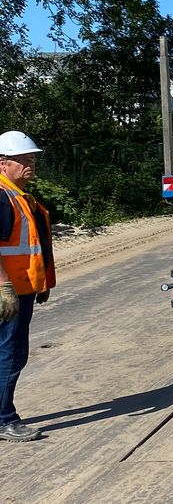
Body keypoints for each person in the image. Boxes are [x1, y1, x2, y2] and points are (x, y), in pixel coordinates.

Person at [0, 131, 54, 442]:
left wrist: (42, 280)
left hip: (23, 287)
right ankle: (5, 419)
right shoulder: (3, 197)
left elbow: (33, 247)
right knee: (11, 353)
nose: (30, 164)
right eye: (23, 159)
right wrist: (5, 287)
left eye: (32, 158)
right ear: (3, 163)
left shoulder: (20, 197)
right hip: (10, 292)